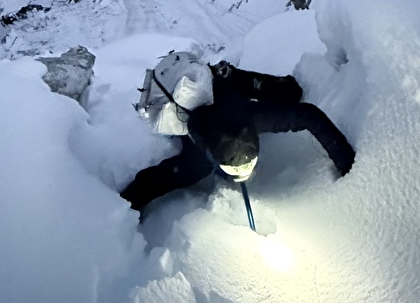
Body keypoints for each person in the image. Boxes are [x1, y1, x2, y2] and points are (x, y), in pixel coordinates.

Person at [122, 50, 355, 213]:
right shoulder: (198, 152)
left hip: (229, 88)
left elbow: (307, 114)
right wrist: (127, 203)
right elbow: (161, 179)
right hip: (194, 102)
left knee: (286, 91)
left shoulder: (254, 115)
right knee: (184, 172)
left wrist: (346, 162)